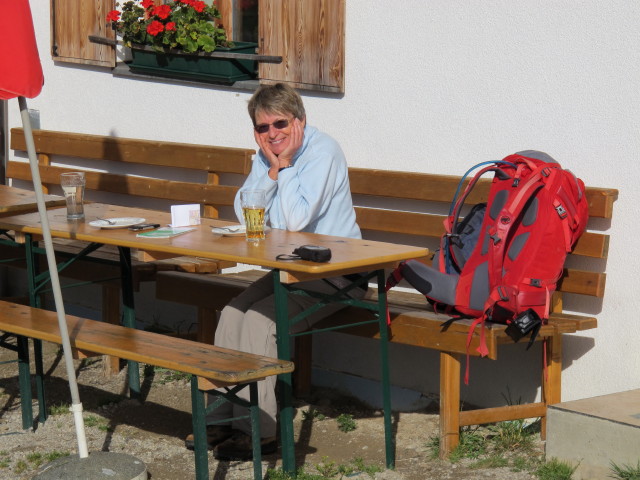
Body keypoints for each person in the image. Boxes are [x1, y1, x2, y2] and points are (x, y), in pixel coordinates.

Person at [184, 83, 365, 460]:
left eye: (280, 123)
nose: (273, 134)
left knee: (260, 323)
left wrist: (283, 168)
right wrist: (270, 171)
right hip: (290, 269)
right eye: (263, 127)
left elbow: (295, 220)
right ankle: (222, 418)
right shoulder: (268, 155)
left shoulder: (322, 152)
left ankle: (260, 431)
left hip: (339, 274)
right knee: (233, 313)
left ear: (299, 121)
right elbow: (245, 209)